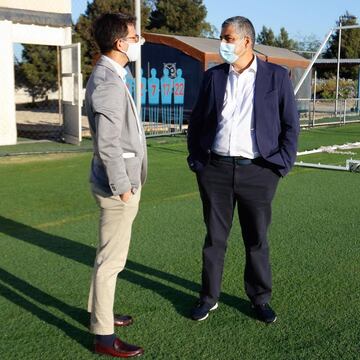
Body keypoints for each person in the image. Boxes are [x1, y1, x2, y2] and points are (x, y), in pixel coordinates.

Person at [187, 16, 299, 323]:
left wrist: (281, 165)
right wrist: (198, 160)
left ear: (246, 41)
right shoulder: (214, 77)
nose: (222, 44)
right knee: (214, 239)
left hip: (259, 171)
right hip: (215, 170)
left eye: (227, 38)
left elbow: (291, 124)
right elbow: (197, 122)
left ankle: (260, 299)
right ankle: (208, 297)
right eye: (222, 38)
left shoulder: (276, 77)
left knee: (257, 239)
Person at [85, 13, 147, 357]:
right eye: (135, 37)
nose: (139, 41)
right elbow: (108, 144)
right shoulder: (108, 81)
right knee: (112, 261)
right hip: (115, 186)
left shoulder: (109, 74)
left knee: (105, 255)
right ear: (120, 43)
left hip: (114, 181)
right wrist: (123, 187)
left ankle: (100, 314)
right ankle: (104, 337)